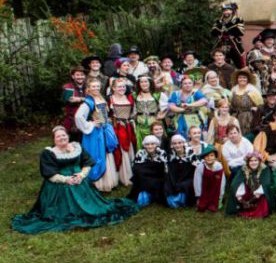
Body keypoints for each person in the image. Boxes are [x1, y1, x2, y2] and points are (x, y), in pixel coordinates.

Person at [11, 126, 139, 234]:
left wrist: (82, 175)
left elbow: (87, 163)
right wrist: (66, 179)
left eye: (64, 135)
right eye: (58, 136)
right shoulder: (49, 153)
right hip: (59, 184)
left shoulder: (77, 147)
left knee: (98, 207)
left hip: (80, 181)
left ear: (68, 136)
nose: (62, 138)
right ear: (54, 139)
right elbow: (49, 173)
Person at [75, 78, 119, 192]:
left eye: (98, 86)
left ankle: (108, 181)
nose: (96, 89)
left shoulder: (100, 98)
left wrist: (107, 120)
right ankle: (97, 183)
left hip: (104, 130)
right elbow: (78, 117)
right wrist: (91, 124)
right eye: (93, 86)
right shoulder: (88, 102)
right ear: (88, 88)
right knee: (97, 154)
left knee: (105, 153)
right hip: (95, 133)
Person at [225, 152, 275, 218]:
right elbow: (237, 183)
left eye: (255, 160)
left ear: (259, 161)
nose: (253, 162)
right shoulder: (244, 169)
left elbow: (266, 184)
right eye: (251, 161)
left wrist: (257, 195)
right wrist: (240, 197)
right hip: (248, 191)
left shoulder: (264, 169)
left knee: (263, 199)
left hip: (260, 193)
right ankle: (244, 207)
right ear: (248, 162)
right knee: (242, 197)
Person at [127, 135, 167, 207]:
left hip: (158, 179)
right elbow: (137, 170)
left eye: (152, 144)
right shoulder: (140, 152)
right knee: (141, 202)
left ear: (156, 144)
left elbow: (165, 169)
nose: (150, 146)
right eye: (147, 144)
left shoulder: (162, 152)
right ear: (144, 145)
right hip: (144, 181)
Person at [229, 68, 263, 137]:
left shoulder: (253, 90)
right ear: (237, 79)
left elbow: (261, 106)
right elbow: (230, 104)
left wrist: (256, 109)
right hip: (235, 117)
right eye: (240, 77)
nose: (242, 79)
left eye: (244, 78)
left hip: (248, 118)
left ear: (248, 79)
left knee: (247, 135)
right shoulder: (234, 90)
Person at [165, 134, 196, 208]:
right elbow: (168, 171)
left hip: (188, 178)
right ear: (172, 145)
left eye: (179, 143)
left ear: (183, 143)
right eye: (174, 143)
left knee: (185, 185)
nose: (177, 145)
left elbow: (196, 169)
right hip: (175, 178)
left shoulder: (190, 153)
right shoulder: (170, 155)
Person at [193, 146, 225, 213]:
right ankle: (202, 201)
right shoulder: (200, 167)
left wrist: (221, 194)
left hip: (215, 190)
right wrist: (198, 195)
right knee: (201, 207)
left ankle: (217, 201)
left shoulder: (219, 166)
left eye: (211, 155)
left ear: (215, 157)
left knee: (213, 208)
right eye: (207, 156)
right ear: (204, 157)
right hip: (204, 190)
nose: (209, 158)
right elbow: (197, 181)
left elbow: (222, 181)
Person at [212, 3, 245, 68]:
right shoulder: (218, 21)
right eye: (224, 10)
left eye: (227, 10)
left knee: (239, 60)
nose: (226, 12)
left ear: (232, 11)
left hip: (234, 43)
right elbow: (213, 32)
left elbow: (240, 32)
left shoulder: (238, 20)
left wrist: (227, 26)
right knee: (216, 56)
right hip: (221, 43)